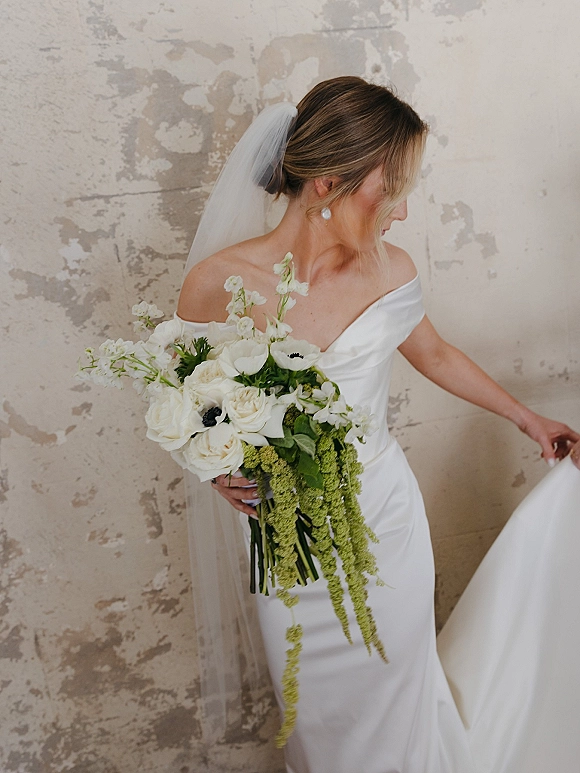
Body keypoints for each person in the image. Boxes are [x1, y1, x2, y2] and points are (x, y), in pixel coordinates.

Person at [176, 77, 579, 772]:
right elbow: (187, 399)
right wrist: (212, 465)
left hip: (382, 519)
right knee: (316, 707)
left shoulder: (390, 271)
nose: (398, 210)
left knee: (395, 689)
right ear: (328, 183)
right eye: (388, 187)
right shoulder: (219, 282)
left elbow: (436, 353)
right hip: (284, 535)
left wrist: (527, 416)